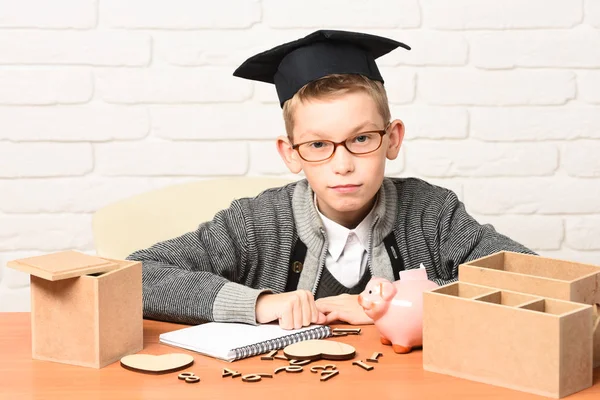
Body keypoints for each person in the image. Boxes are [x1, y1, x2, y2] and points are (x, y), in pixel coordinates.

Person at [127, 30, 535, 330]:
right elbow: (133, 276)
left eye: (360, 138)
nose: (342, 165)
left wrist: (398, 305)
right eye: (318, 145)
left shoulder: (433, 214)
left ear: (391, 140)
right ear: (290, 154)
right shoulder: (256, 223)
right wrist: (259, 304)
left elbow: (530, 277)